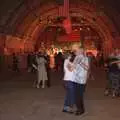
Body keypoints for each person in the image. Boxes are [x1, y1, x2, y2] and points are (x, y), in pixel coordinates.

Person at [72, 45, 89, 116]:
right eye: (74, 51)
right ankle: (80, 108)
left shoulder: (85, 58)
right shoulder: (76, 57)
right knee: (76, 96)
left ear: (81, 51)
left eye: (76, 50)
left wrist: (80, 63)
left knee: (79, 96)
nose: (75, 52)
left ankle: (80, 110)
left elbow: (87, 68)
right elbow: (73, 67)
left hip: (81, 80)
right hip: (75, 79)